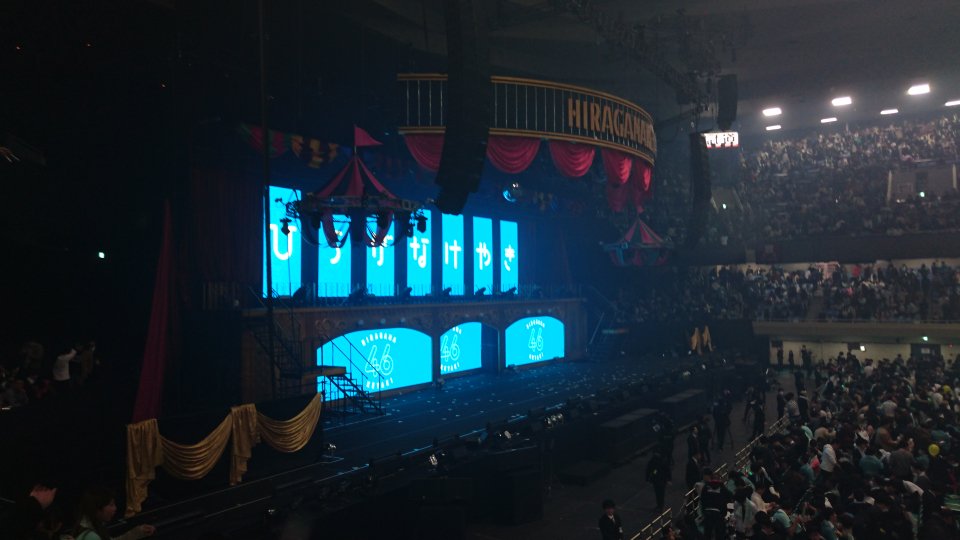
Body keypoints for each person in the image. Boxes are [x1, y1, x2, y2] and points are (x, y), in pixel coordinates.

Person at [71, 486, 155, 540]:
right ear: (97, 509)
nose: (115, 508)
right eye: (111, 505)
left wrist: (138, 532)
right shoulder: (90, 536)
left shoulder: (90, 526)